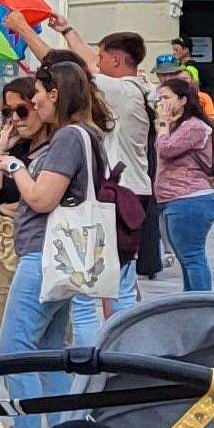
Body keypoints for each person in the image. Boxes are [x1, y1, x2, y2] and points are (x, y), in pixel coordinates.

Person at [0, 56, 119, 428]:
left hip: (45, 257)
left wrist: (14, 167)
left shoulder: (68, 137)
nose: (34, 105)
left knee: (14, 349)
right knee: (49, 352)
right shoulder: (88, 135)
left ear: (55, 94)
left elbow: (43, 199)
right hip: (61, 257)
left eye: (37, 96)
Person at [89, 28, 160, 297]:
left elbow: (75, 71)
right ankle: (130, 317)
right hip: (137, 187)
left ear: (116, 60)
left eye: (102, 57)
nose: (98, 63)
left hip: (123, 191)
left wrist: (25, 31)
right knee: (123, 270)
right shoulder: (140, 88)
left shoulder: (120, 90)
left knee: (116, 276)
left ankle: (124, 327)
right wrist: (67, 31)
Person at [156, 80, 214, 294]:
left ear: (183, 100)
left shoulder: (194, 126)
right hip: (175, 199)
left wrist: (162, 125)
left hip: (191, 198)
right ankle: (191, 301)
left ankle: (203, 302)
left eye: (166, 98)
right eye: (159, 99)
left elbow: (167, 149)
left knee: (192, 256)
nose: (161, 103)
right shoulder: (177, 126)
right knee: (186, 257)